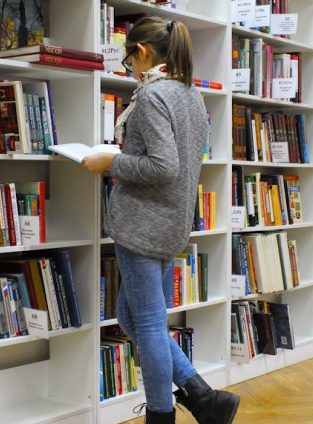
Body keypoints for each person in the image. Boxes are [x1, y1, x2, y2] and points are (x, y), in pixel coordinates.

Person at [81, 16, 240, 424]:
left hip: (142, 224)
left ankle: (161, 414)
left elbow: (163, 166)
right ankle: (203, 397)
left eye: (127, 57)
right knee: (133, 318)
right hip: (171, 223)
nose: (126, 66)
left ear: (144, 52)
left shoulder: (153, 97)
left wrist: (110, 160)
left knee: (148, 324)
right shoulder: (189, 94)